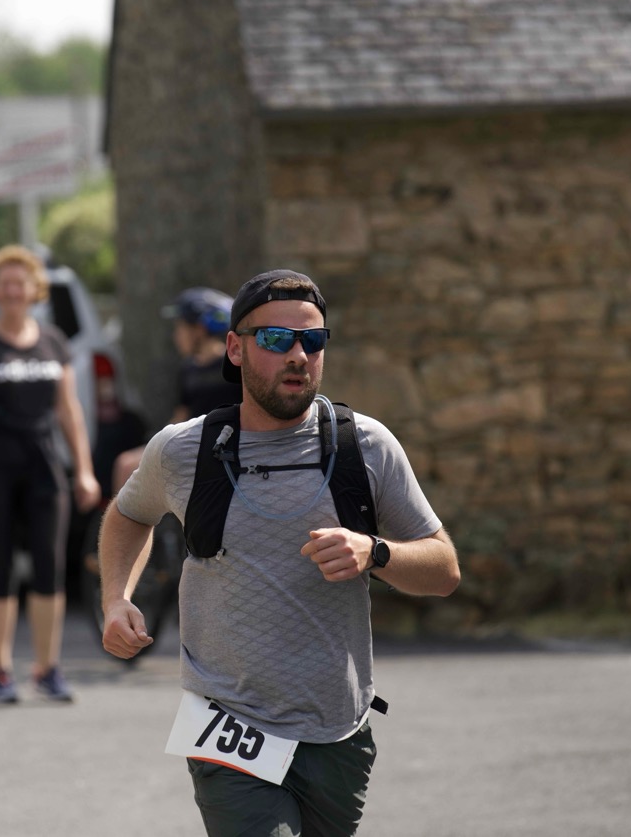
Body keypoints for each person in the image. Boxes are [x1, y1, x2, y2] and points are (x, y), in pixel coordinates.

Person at [98, 269, 461, 836]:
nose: (298, 355)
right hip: (229, 724)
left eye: (312, 340)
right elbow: (128, 514)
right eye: (275, 339)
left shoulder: (365, 446)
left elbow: (444, 570)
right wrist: (116, 598)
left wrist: (375, 552)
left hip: (338, 731)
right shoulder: (184, 450)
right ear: (235, 348)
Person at [0, 245, 101, 704]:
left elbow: (67, 409)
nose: (13, 291)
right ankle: (0, 671)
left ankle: (48, 668)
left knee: (50, 566)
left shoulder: (53, 341)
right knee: (0, 566)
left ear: (35, 290)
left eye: (20, 283)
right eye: (5, 284)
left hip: (43, 465)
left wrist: (84, 469)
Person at [110, 286, 243, 494]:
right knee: (126, 463)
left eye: (180, 328)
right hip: (192, 441)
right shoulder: (189, 369)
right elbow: (182, 414)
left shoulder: (234, 365)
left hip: (221, 447)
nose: (176, 336)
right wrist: (156, 444)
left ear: (199, 329)